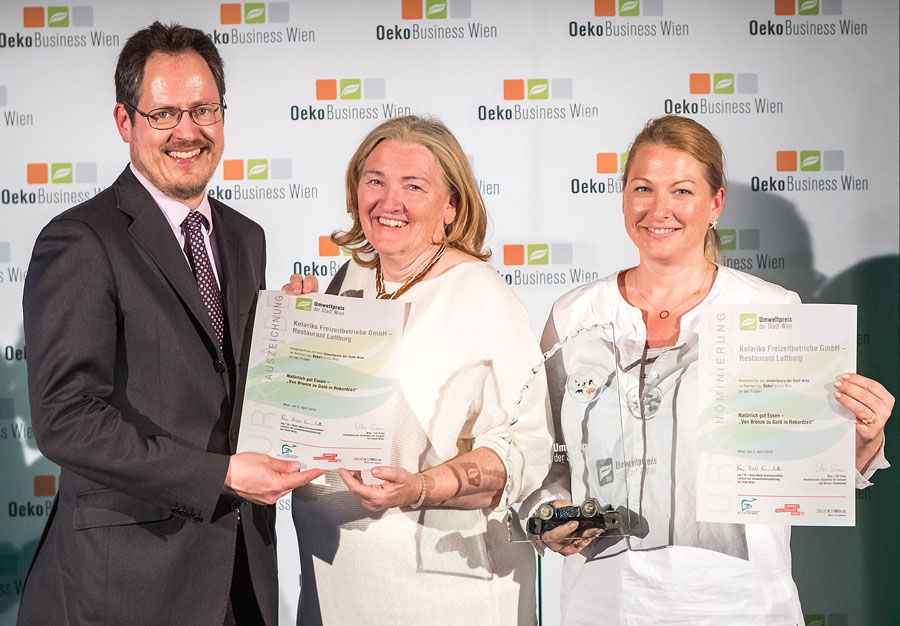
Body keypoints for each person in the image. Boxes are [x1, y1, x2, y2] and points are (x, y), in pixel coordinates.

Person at [523, 115, 893, 625]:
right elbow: (548, 457)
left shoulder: (771, 308)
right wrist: (548, 515)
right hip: (604, 602)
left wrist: (858, 446)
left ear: (715, 204)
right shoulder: (573, 314)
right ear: (624, 198)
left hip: (738, 602)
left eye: (681, 191)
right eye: (643, 189)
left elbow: (805, 464)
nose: (660, 209)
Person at [18, 22, 322, 626]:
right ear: (125, 121)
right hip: (126, 582)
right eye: (164, 114)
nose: (188, 131)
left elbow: (215, 376)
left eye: (204, 109)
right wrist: (222, 474)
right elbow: (66, 420)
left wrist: (286, 334)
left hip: (242, 571)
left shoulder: (244, 236)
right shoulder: (80, 240)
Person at [283, 115, 553, 626]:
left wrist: (422, 486)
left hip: (445, 591)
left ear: (451, 205)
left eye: (414, 186)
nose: (390, 201)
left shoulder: (481, 295)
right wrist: (295, 338)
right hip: (336, 576)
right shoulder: (350, 278)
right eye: (375, 180)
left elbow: (521, 451)